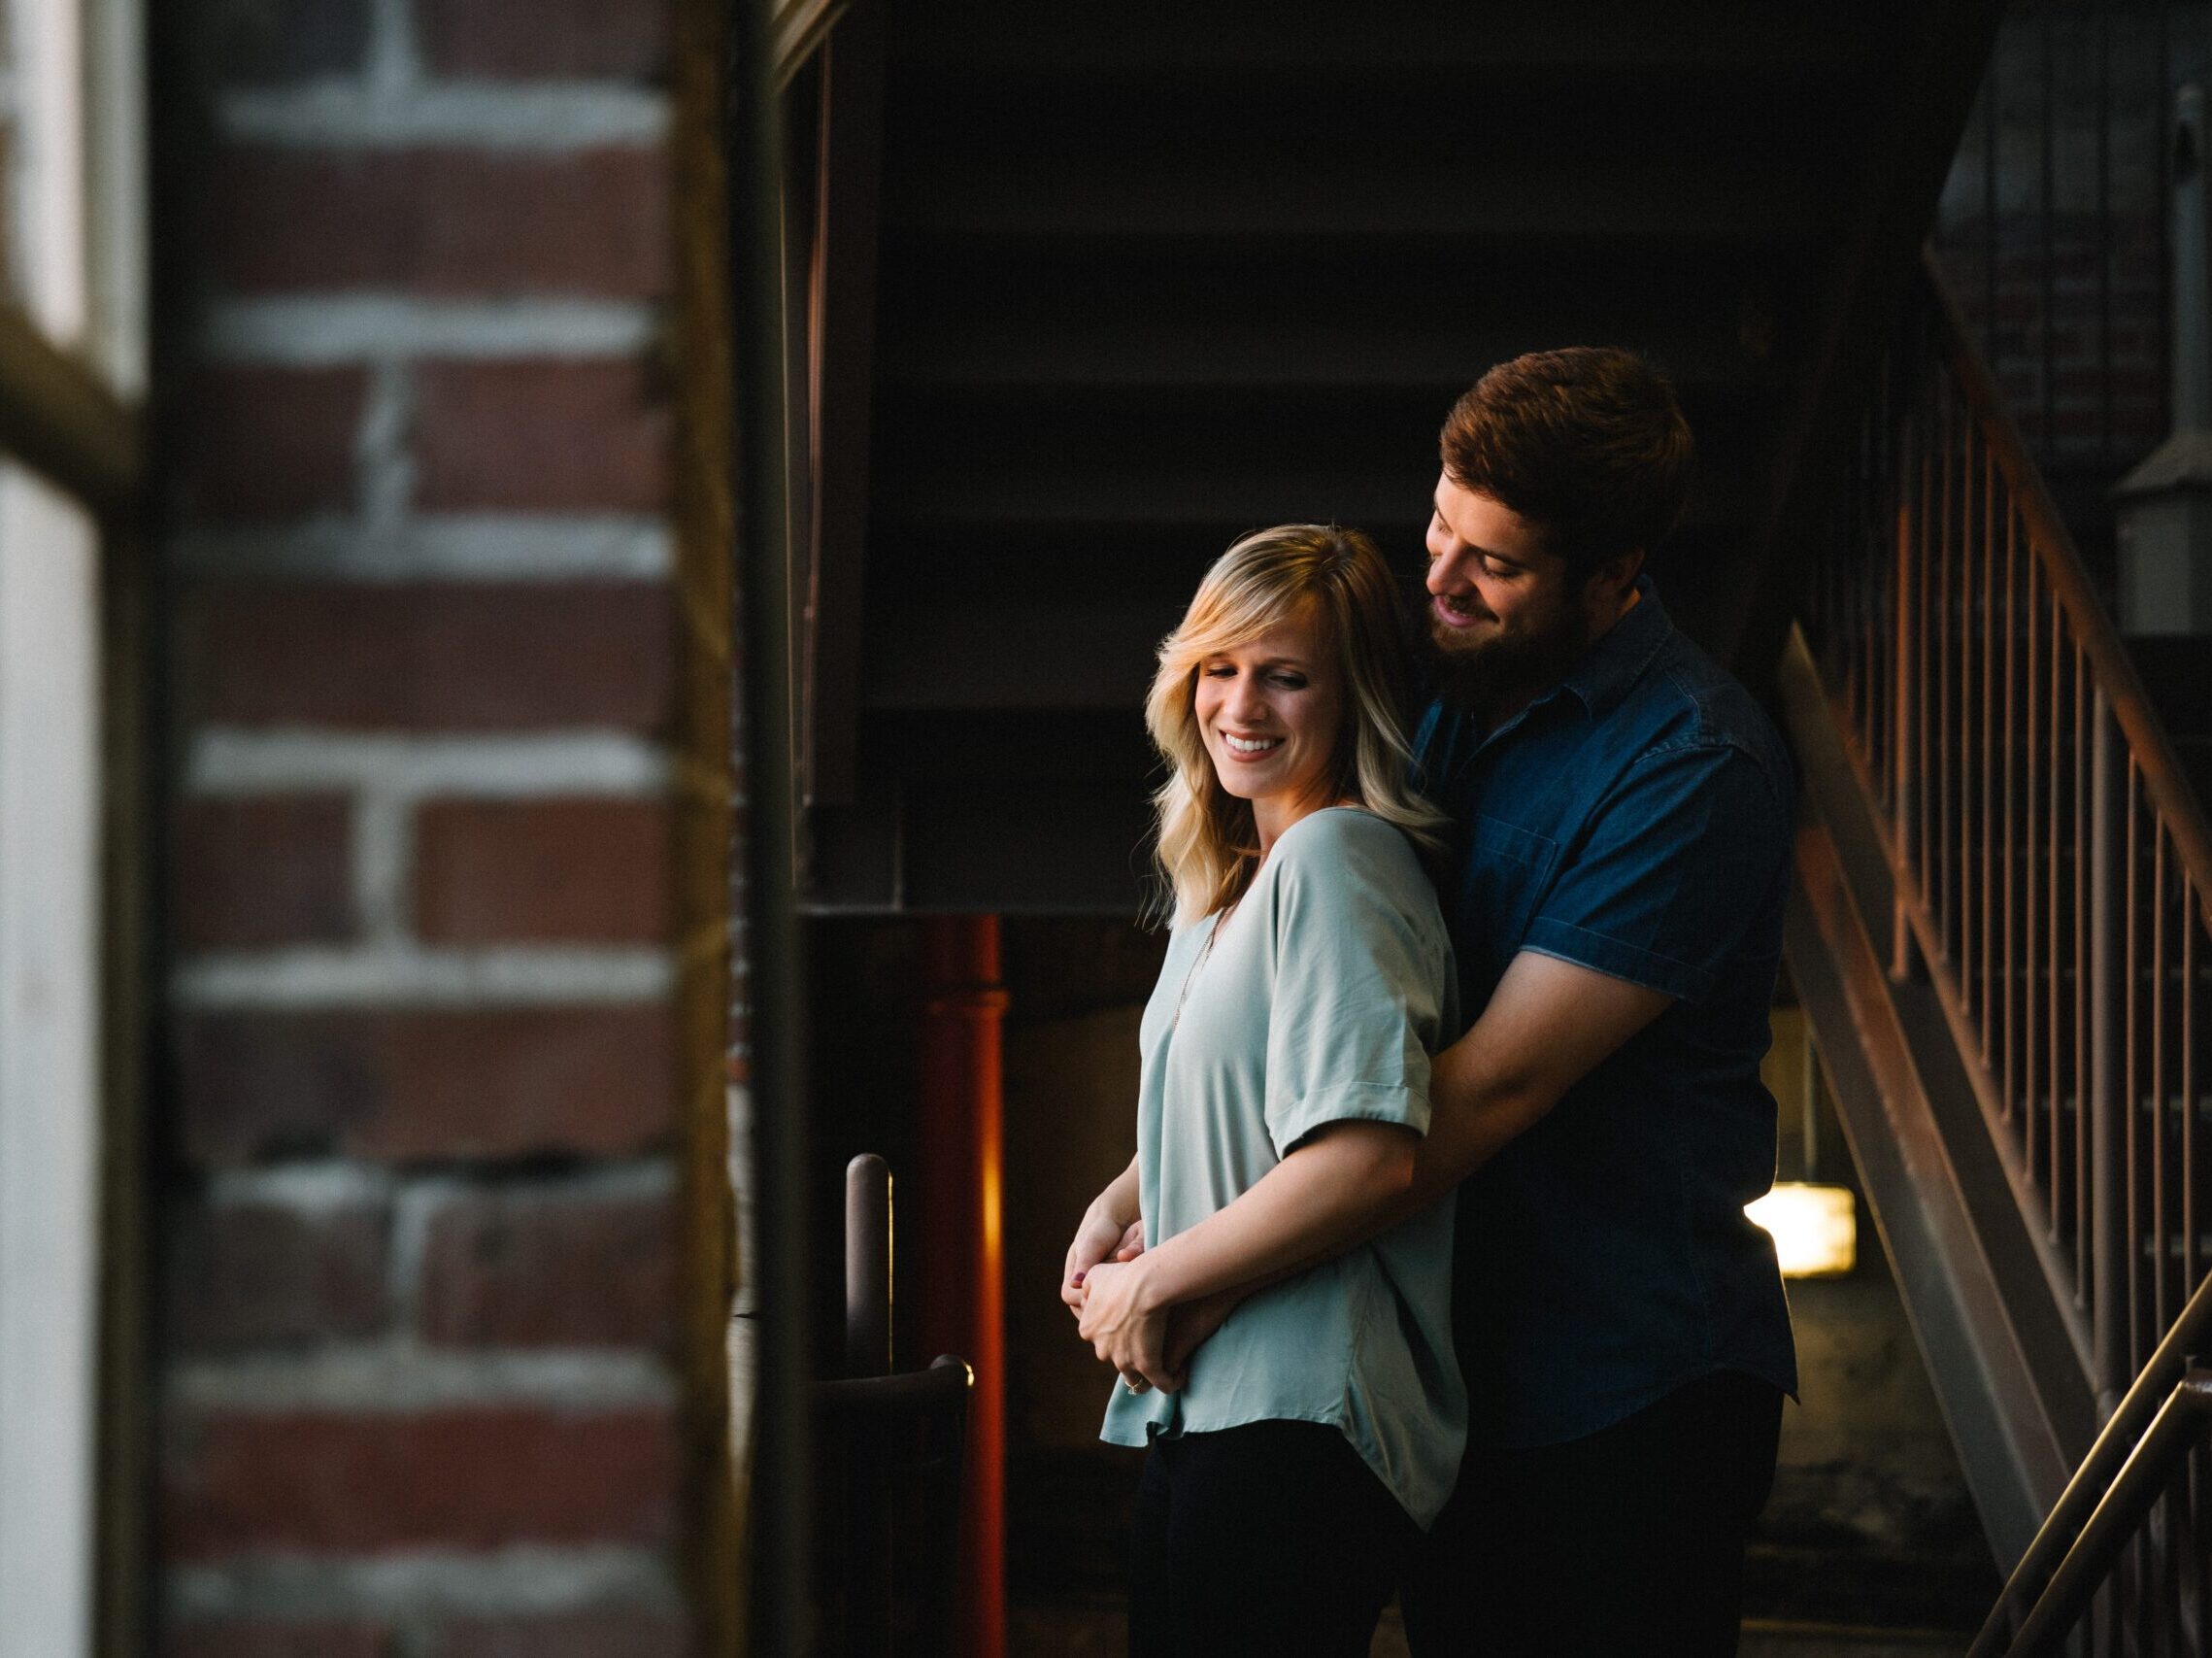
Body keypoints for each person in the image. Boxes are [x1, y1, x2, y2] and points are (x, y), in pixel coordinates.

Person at [1074, 350, 1798, 1656]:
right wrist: (1146, 1190)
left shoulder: (1690, 765)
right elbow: (1313, 1033)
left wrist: (1184, 1275)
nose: (1439, 580)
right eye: (1437, 526)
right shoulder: (1439, 696)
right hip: (1440, 1350)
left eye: (1494, 562)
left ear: (1614, 571)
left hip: (1615, 1382)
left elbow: (1463, 1098)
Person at [1060, 524, 1464, 1658]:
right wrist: (1115, 1210)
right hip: (1214, 1402)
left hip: (1301, 1410)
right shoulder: (1228, 889)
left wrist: (1155, 1286)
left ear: (1352, 698)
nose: (1241, 705)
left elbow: (1363, 1154)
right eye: (1219, 668)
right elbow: (1240, 1104)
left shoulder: (1342, 862)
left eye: (1285, 676)